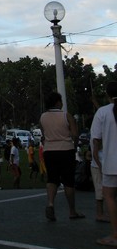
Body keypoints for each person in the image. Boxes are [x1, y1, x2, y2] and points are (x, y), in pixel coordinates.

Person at [40, 91, 84, 221]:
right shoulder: (66, 115)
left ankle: (50, 203)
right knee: (68, 181)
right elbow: (75, 134)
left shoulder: (43, 117)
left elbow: (43, 134)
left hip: (49, 151)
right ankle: (72, 211)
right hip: (66, 150)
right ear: (58, 102)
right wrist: (74, 145)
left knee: (52, 179)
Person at [90, 81, 117, 247]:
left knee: (109, 197)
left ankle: (115, 234)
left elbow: (96, 140)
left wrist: (98, 163)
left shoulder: (103, 112)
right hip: (110, 164)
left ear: (107, 94)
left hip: (111, 164)